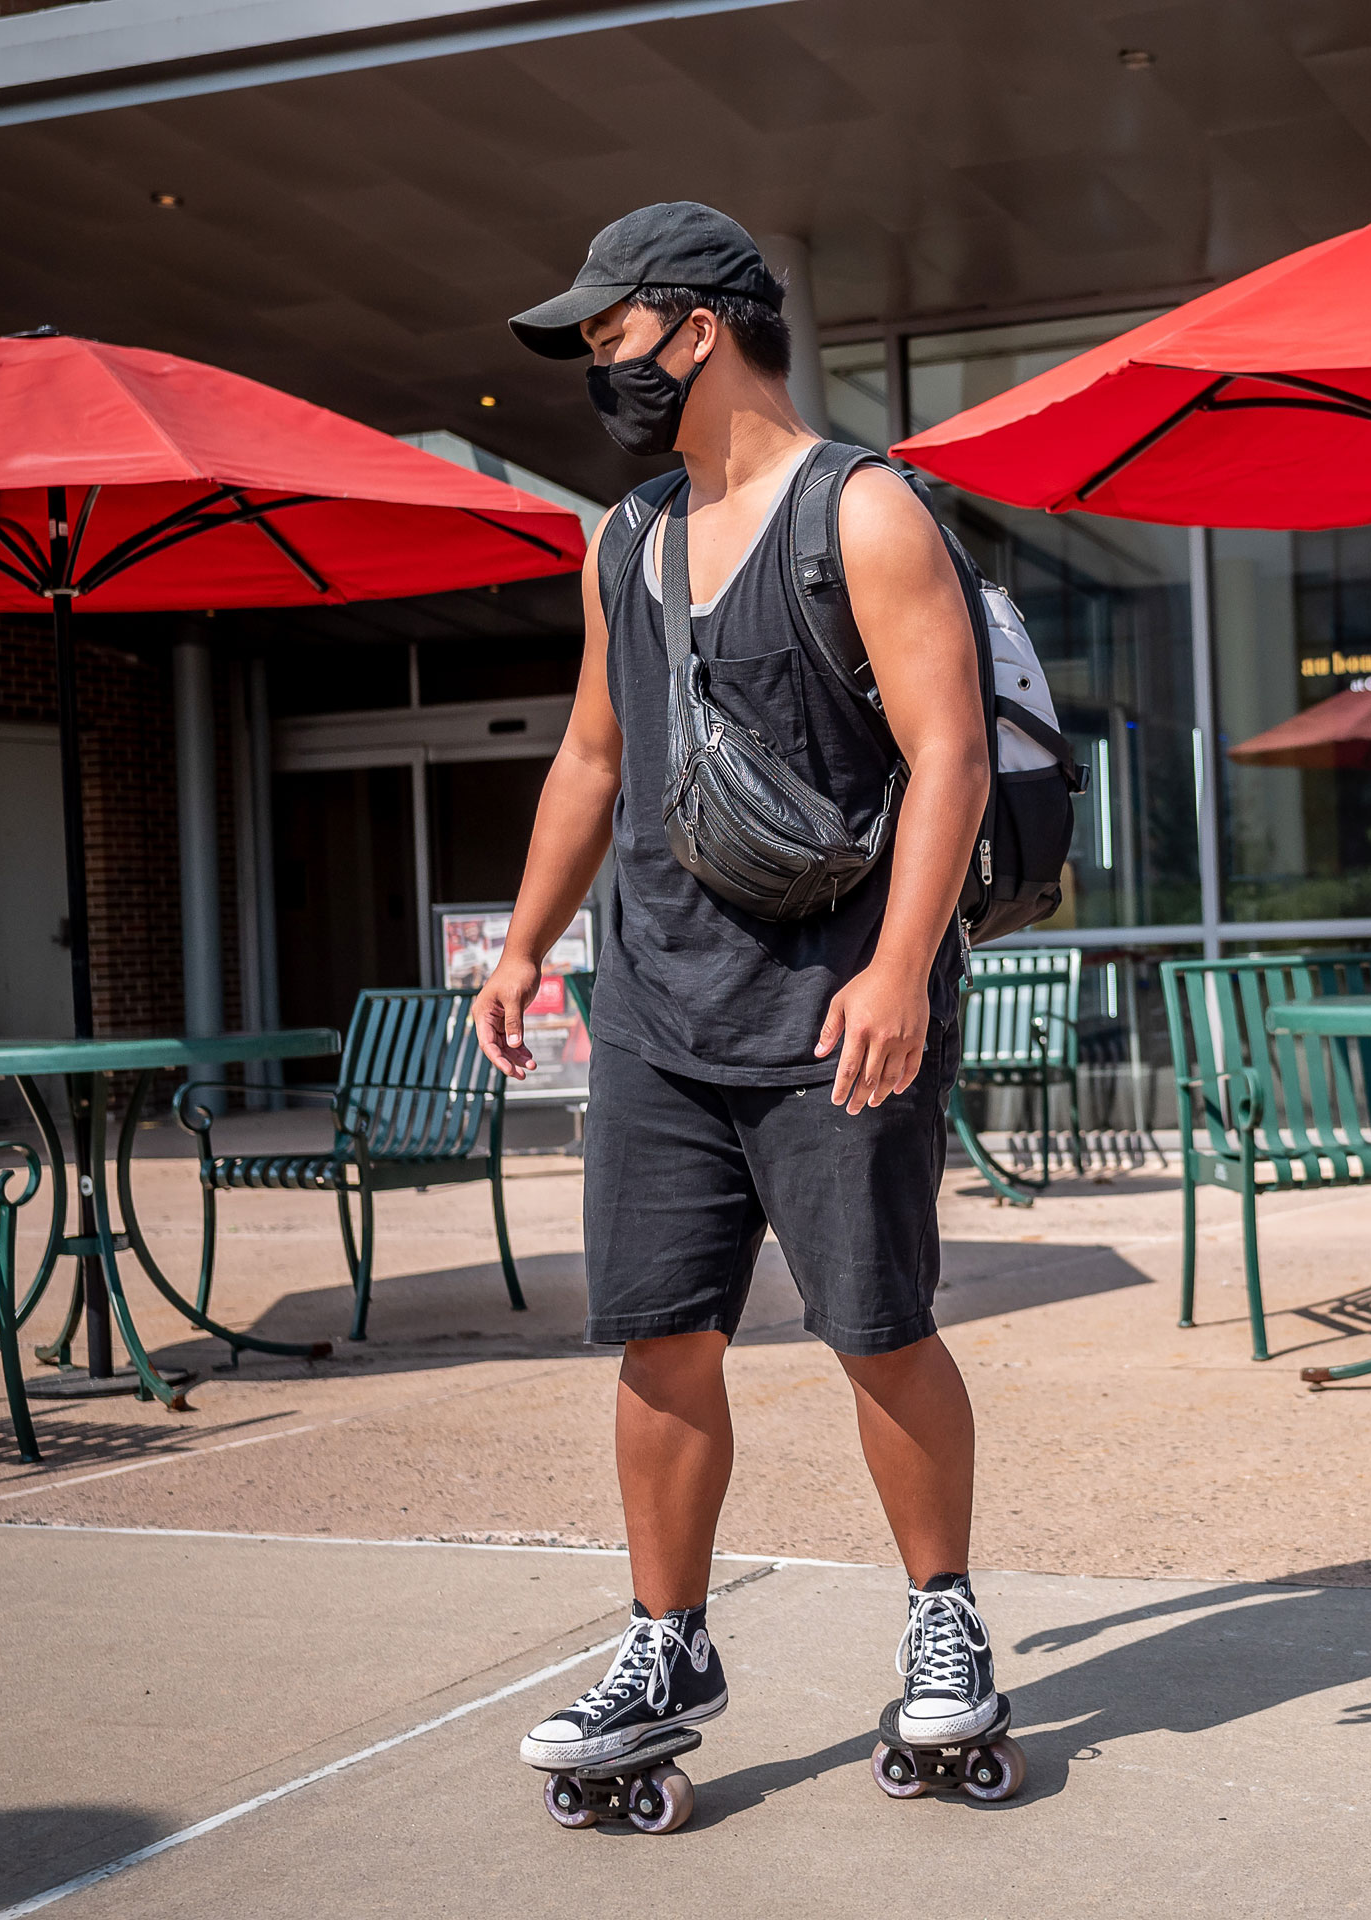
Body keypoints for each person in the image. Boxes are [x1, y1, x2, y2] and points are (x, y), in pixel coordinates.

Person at [474, 204, 996, 1774]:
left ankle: (943, 1615)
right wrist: (521, 944)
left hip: (836, 1005)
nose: (596, 366)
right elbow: (592, 752)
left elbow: (950, 755)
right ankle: (666, 1646)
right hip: (655, 1009)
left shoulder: (865, 512)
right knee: (659, 1339)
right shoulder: (621, 537)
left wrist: (903, 966)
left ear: (694, 327)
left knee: (877, 1327)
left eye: (608, 334)